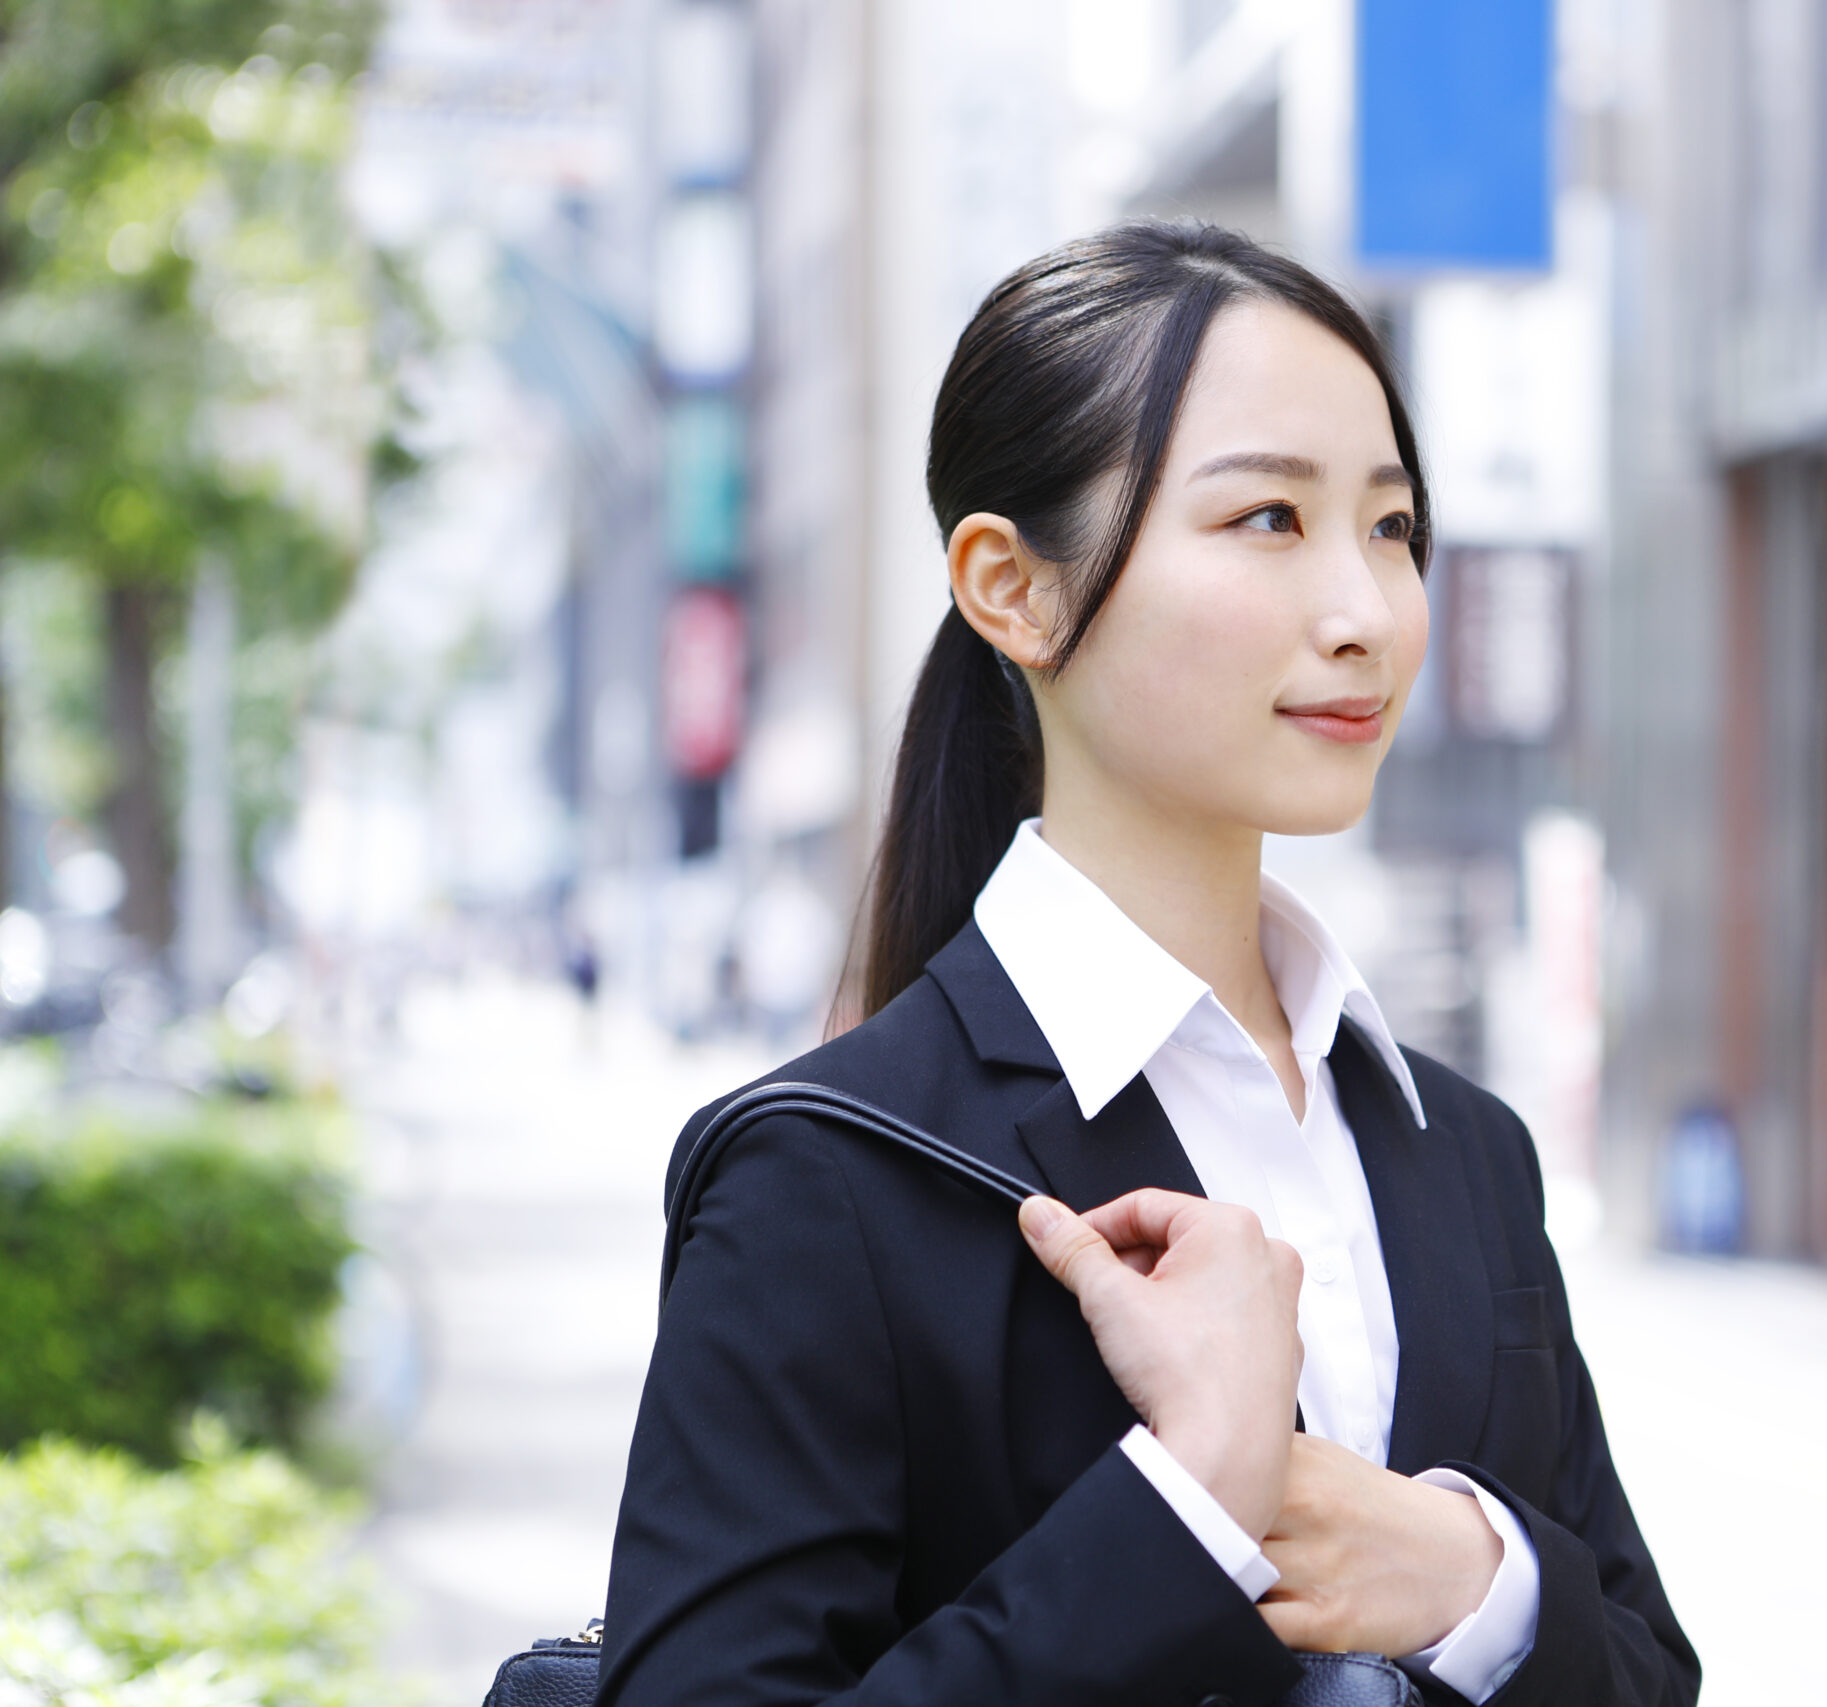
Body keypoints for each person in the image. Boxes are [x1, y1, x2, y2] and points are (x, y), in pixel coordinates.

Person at [598, 223, 1698, 1707]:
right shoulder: (831, 1180)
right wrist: (1190, 1509)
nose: (1366, 614)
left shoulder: (1467, 1154)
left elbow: (1646, 1669)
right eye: (1269, 521)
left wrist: (1466, 1577)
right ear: (1014, 588)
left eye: (1391, 529)